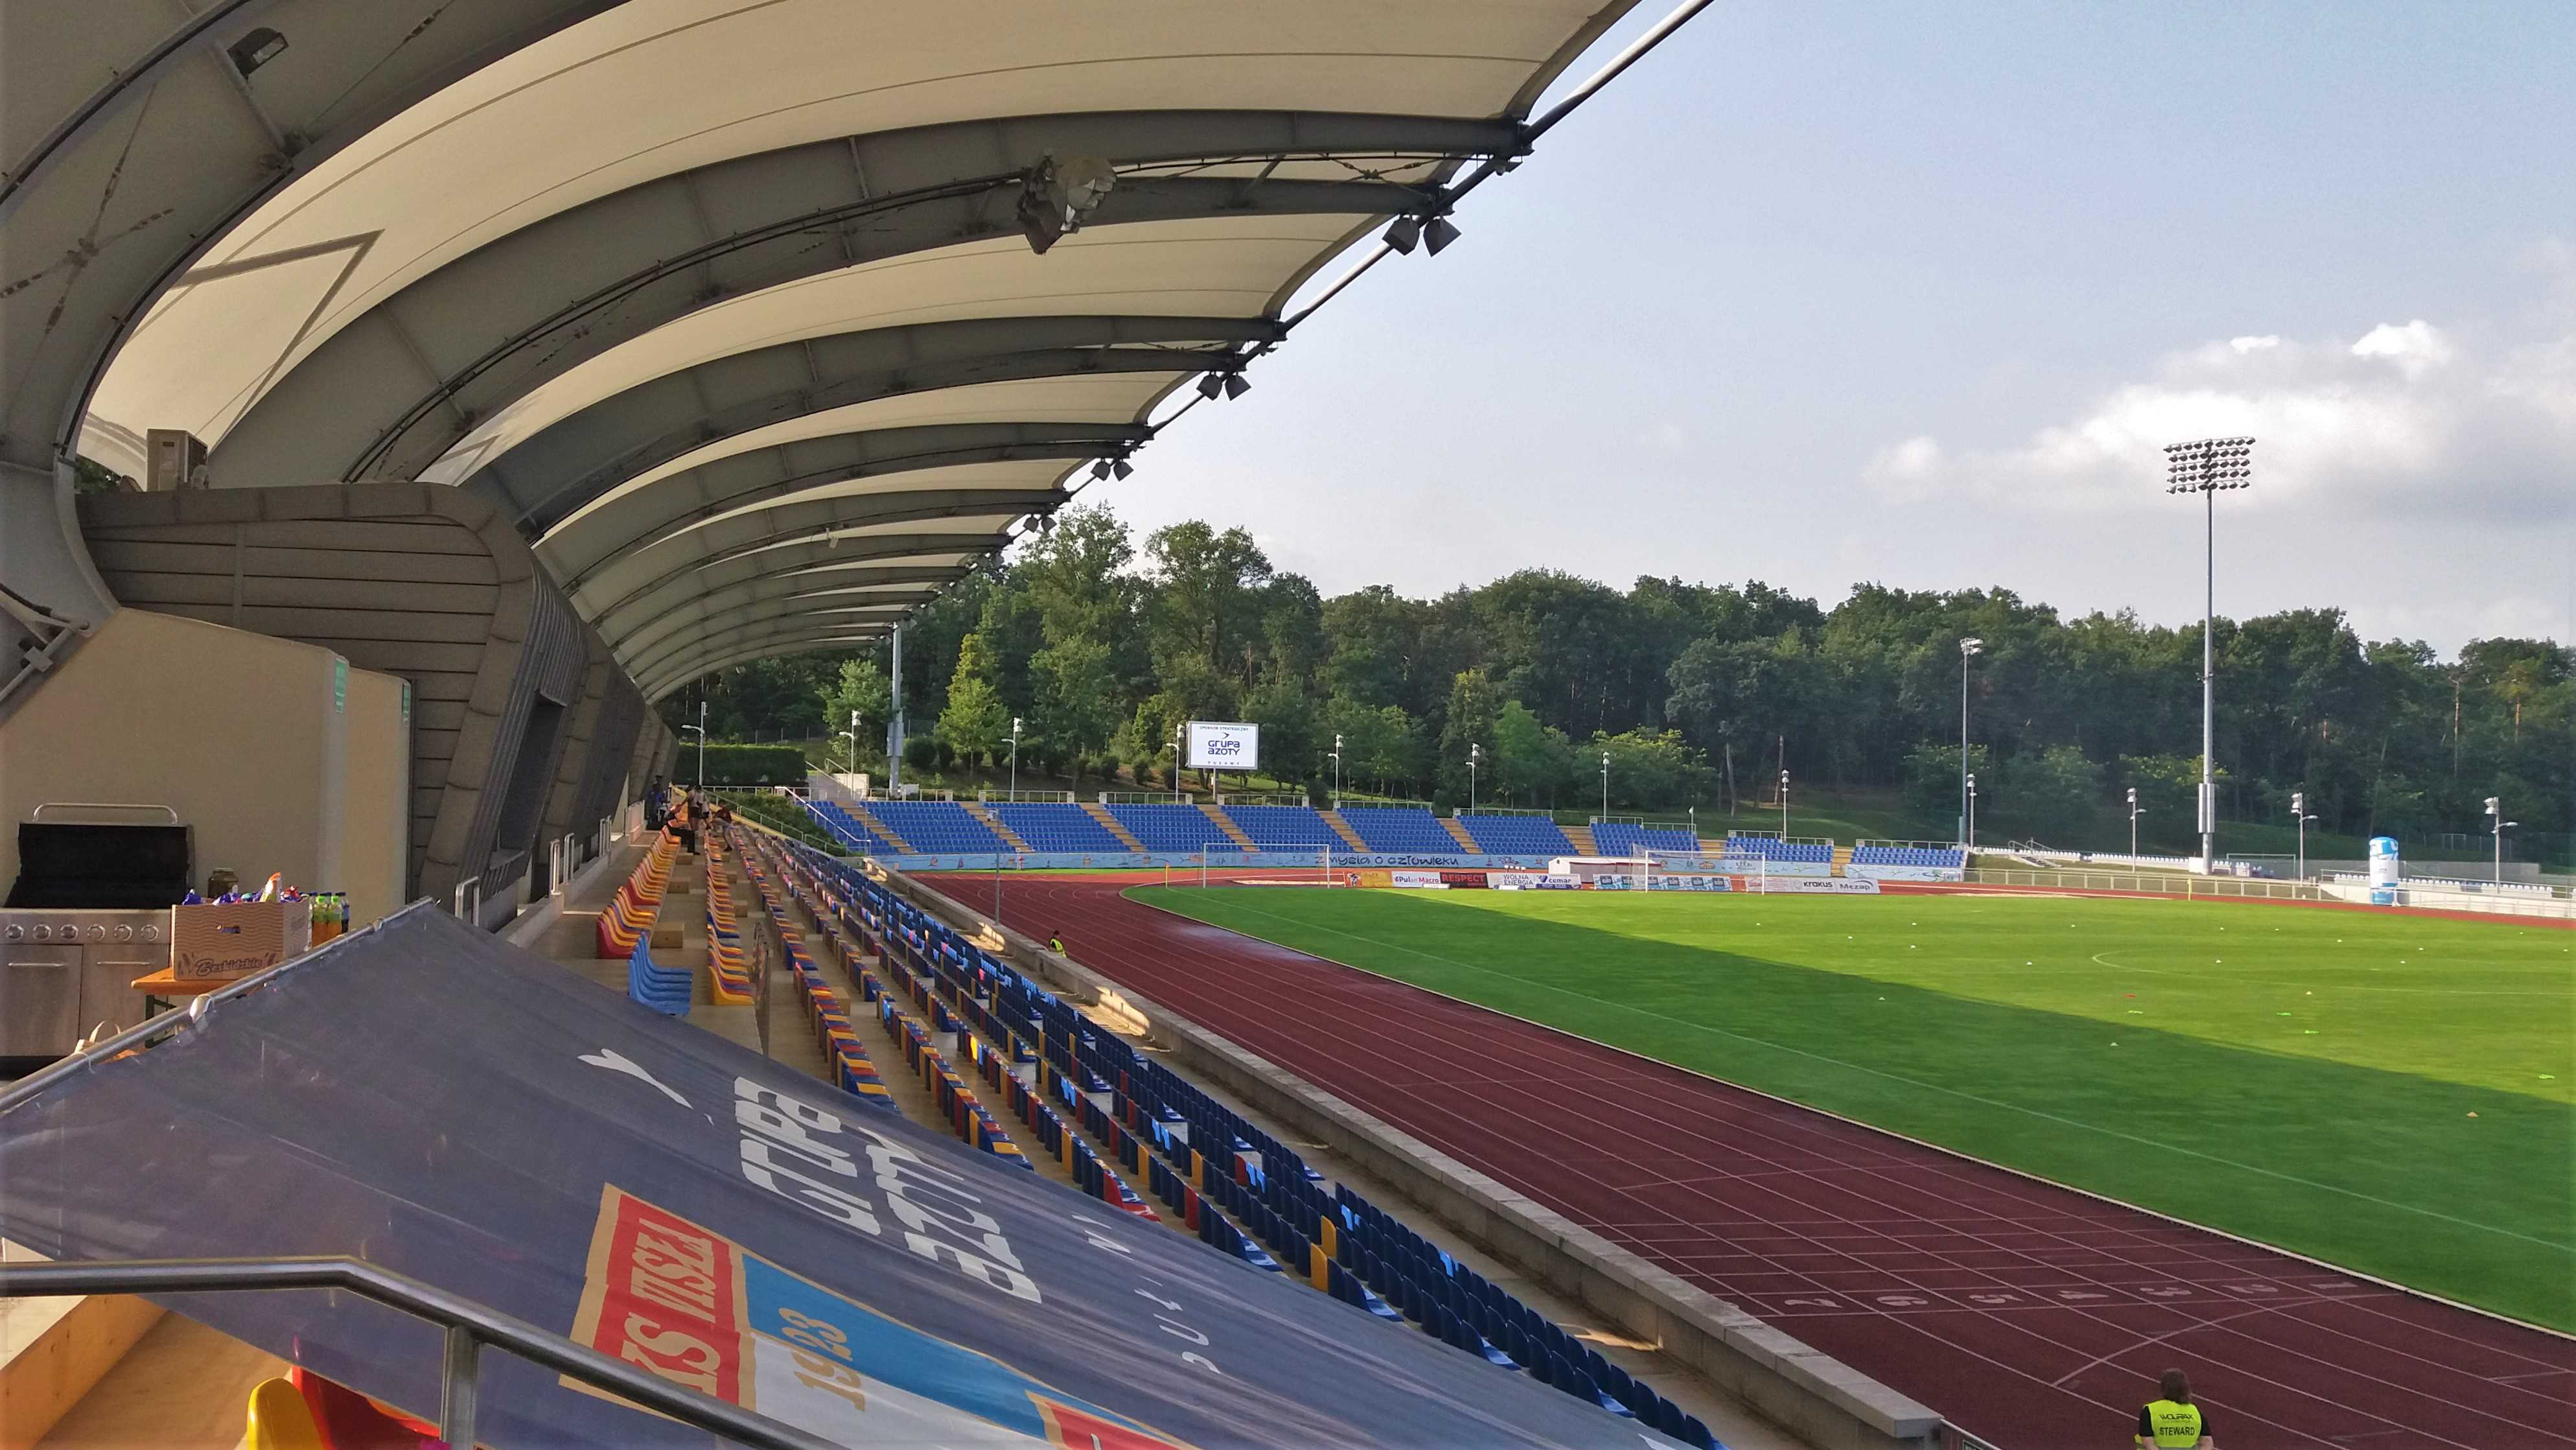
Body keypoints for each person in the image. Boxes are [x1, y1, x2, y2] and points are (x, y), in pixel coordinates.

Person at [2136, 1369, 2214, 1449]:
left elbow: (2148, 1443)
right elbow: (2207, 1442)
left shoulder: (2150, 1411)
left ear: (2163, 1388)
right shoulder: (2196, 1413)